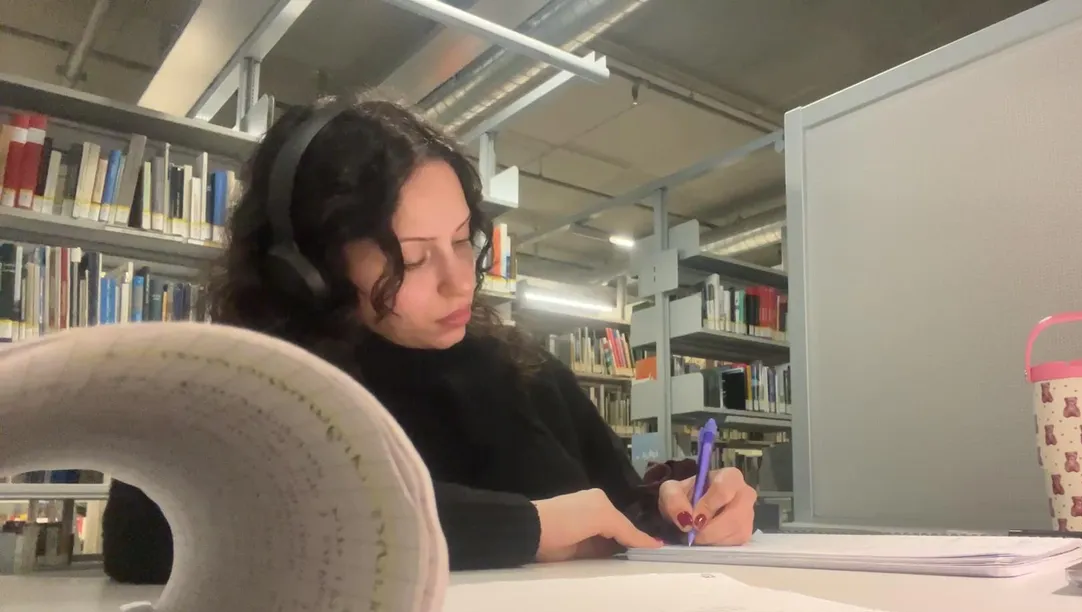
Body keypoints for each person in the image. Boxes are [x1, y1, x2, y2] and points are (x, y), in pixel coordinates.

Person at [101, 98, 756, 582]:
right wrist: (524, 529)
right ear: (310, 268)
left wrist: (681, 503)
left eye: (463, 240)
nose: (459, 281)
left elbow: (619, 508)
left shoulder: (530, 374)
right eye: (412, 258)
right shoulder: (249, 380)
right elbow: (146, 533)